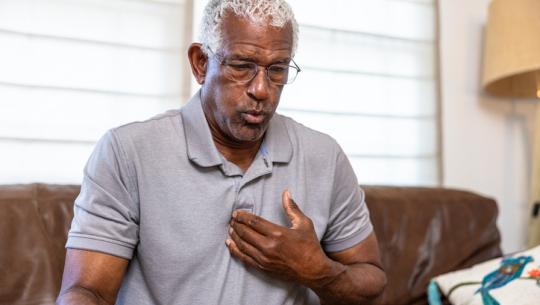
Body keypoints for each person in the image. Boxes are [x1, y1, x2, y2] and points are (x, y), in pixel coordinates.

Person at [56, 1, 387, 304]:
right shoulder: (127, 152)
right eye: (242, 65)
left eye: (277, 69)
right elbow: (87, 291)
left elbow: (371, 283)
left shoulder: (324, 157)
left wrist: (317, 271)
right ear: (201, 63)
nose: (261, 89)